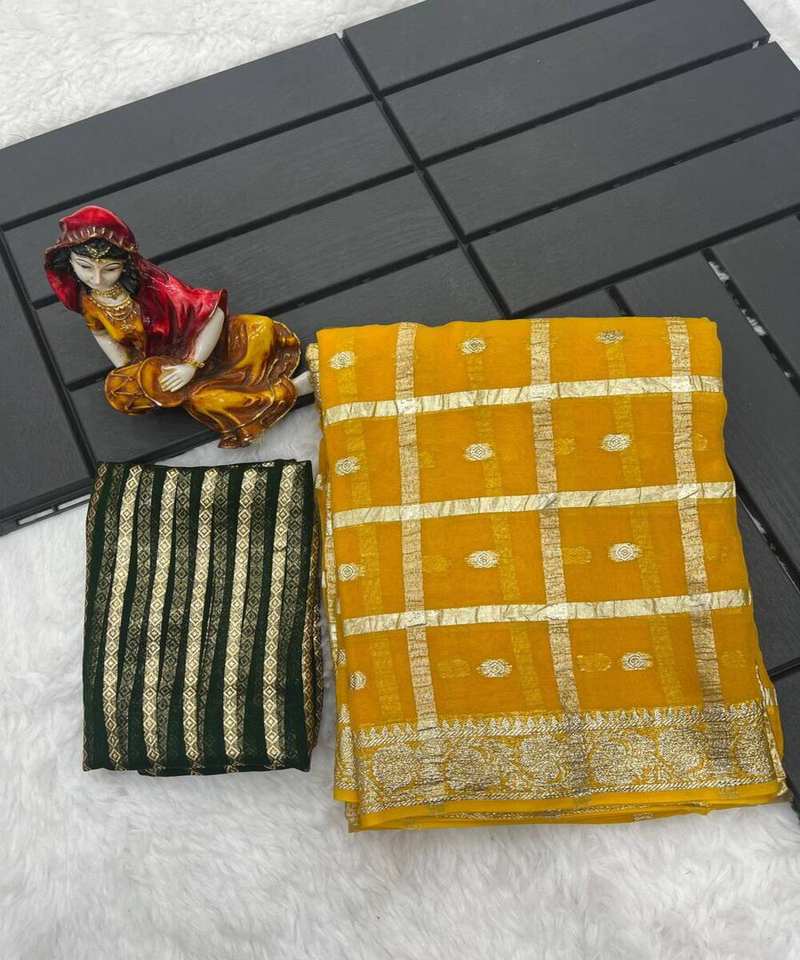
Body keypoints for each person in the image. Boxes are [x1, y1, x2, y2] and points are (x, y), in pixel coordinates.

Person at [45, 205, 306, 447]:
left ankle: (259, 383)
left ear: (125, 265)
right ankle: (292, 390)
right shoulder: (87, 300)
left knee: (260, 328)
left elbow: (214, 314)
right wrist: (130, 370)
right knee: (208, 402)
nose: (97, 279)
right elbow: (101, 333)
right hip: (169, 369)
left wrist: (192, 364)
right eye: (84, 267)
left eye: (110, 269)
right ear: (68, 262)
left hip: (206, 345)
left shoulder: (157, 287)